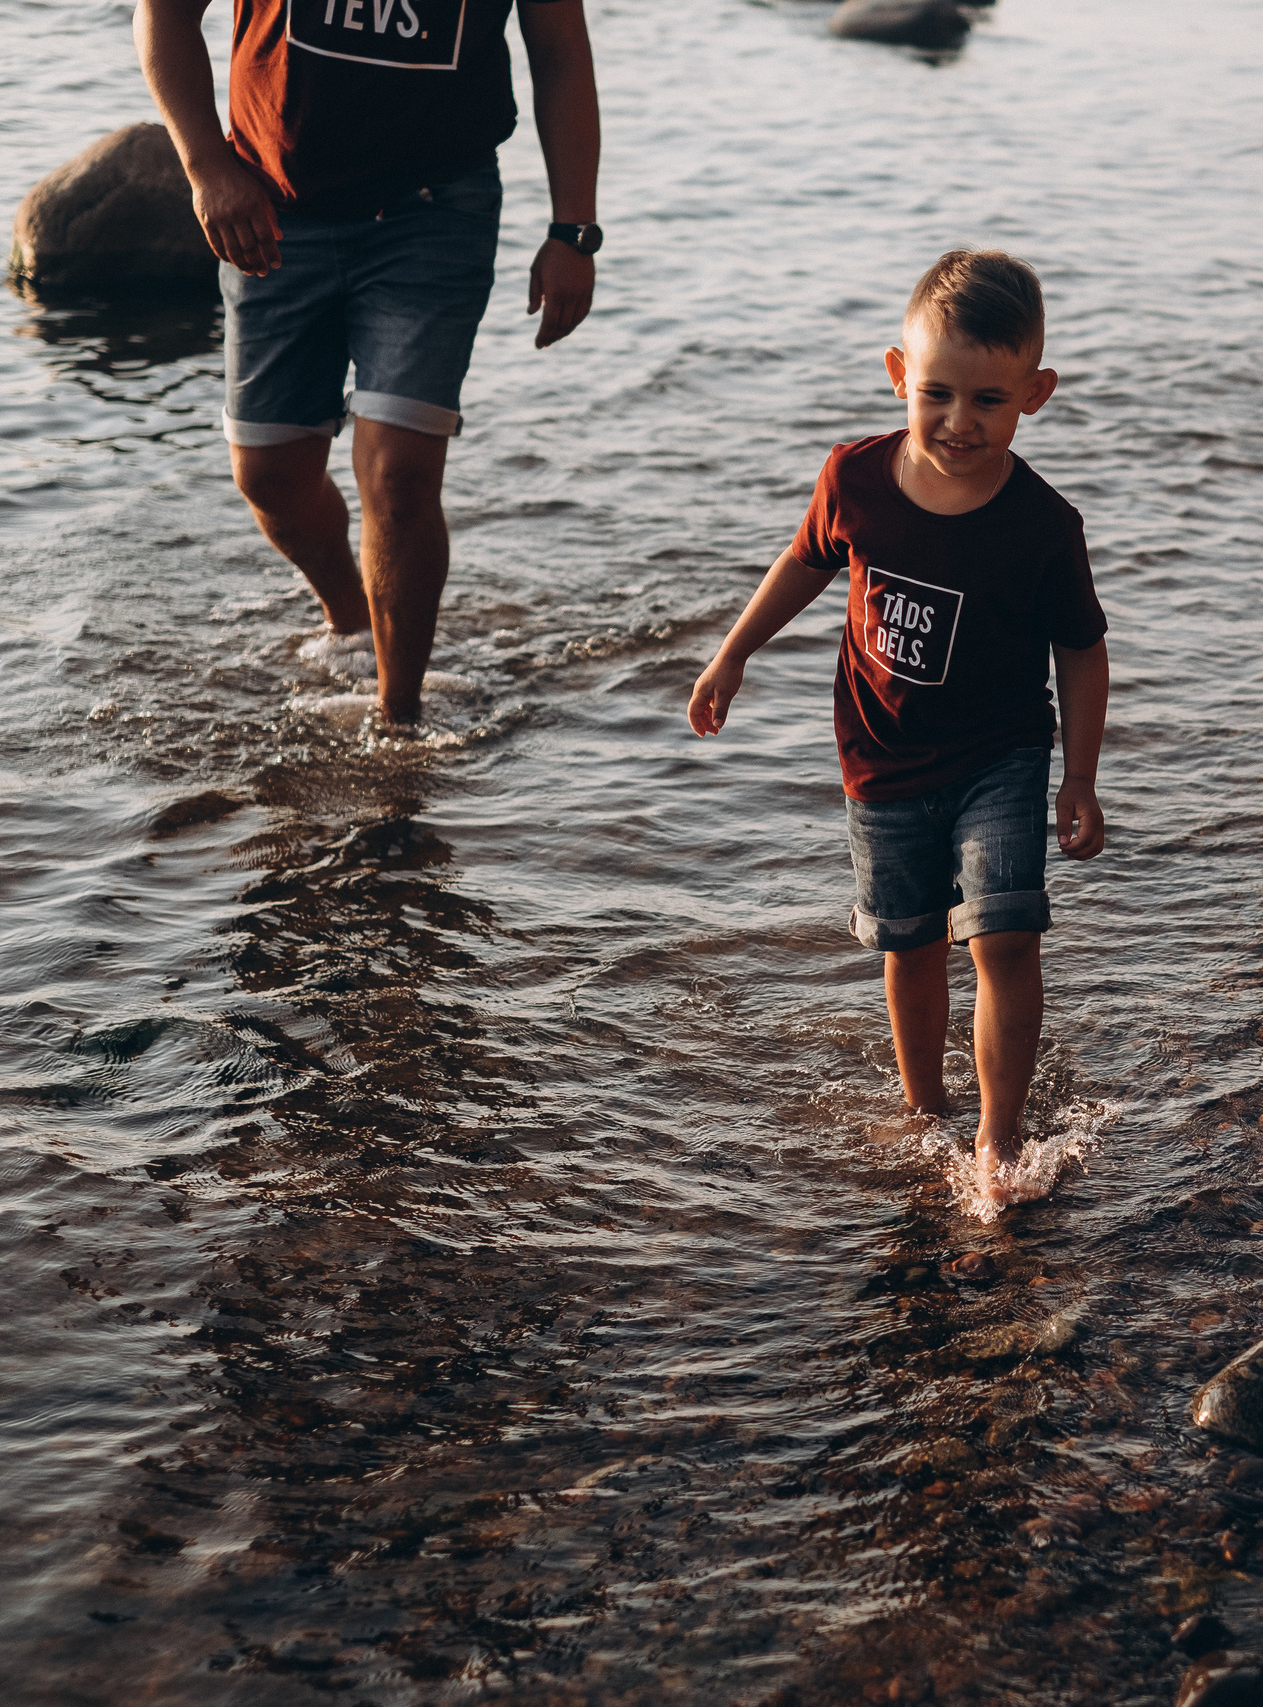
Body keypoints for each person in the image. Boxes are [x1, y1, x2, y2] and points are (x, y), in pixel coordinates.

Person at [685, 252, 1110, 1209]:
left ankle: (997, 1139)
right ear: (896, 375)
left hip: (1002, 756)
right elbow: (804, 563)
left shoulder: (1043, 525)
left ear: (1035, 395)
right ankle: (927, 1116)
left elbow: (1082, 649)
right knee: (909, 945)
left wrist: (1078, 776)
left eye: (990, 400)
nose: (962, 422)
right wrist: (733, 653)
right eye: (939, 394)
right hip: (880, 762)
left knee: (1005, 937)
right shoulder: (857, 480)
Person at [136, 0, 603, 726]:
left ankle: (398, 719)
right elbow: (163, 14)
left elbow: (561, 49)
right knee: (270, 475)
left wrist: (574, 229)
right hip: (272, 203)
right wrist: (205, 168)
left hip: (436, 208)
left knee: (400, 473)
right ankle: (353, 620)